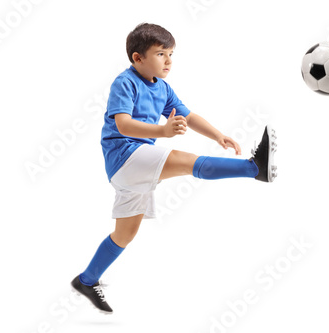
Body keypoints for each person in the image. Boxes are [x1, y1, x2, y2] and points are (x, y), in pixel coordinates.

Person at [70, 22, 277, 314]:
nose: (168, 60)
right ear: (137, 58)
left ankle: (86, 280)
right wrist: (163, 131)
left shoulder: (163, 87)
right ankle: (253, 169)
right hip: (123, 155)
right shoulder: (125, 82)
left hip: (138, 162)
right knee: (184, 160)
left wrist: (218, 135)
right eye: (160, 54)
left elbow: (187, 115)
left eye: (171, 54)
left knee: (125, 234)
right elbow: (123, 124)